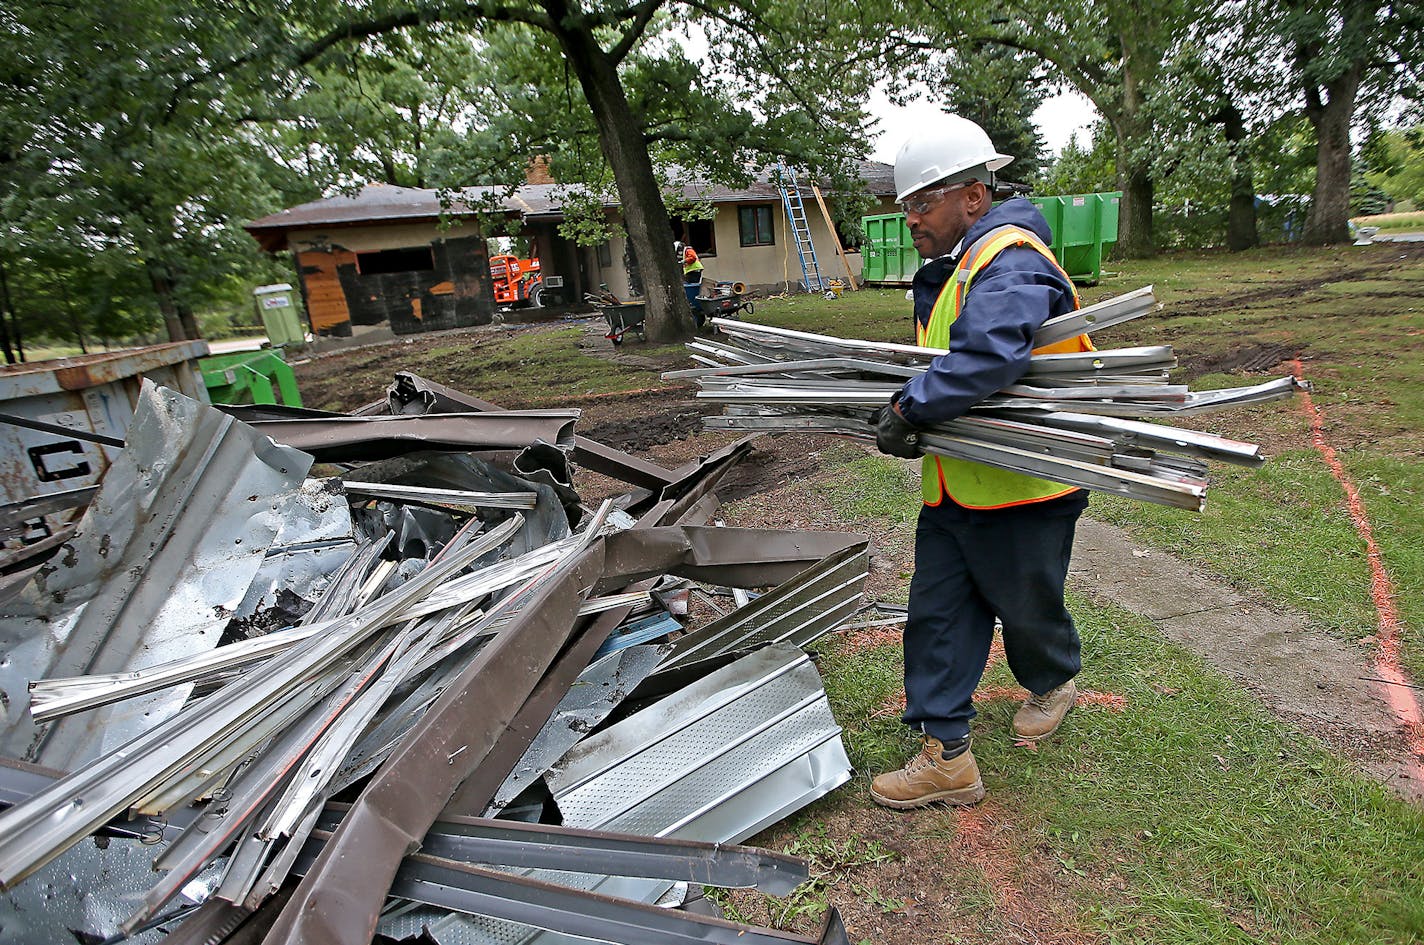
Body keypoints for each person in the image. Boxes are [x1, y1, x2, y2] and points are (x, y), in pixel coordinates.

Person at [868, 113, 1094, 810]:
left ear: (972, 196)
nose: (910, 217)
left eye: (922, 201)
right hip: (956, 486)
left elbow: (992, 353)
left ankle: (1053, 677)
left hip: (1026, 486)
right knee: (936, 612)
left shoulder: (1012, 257)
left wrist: (913, 408)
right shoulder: (954, 265)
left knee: (1027, 610)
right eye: (905, 203)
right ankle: (947, 754)